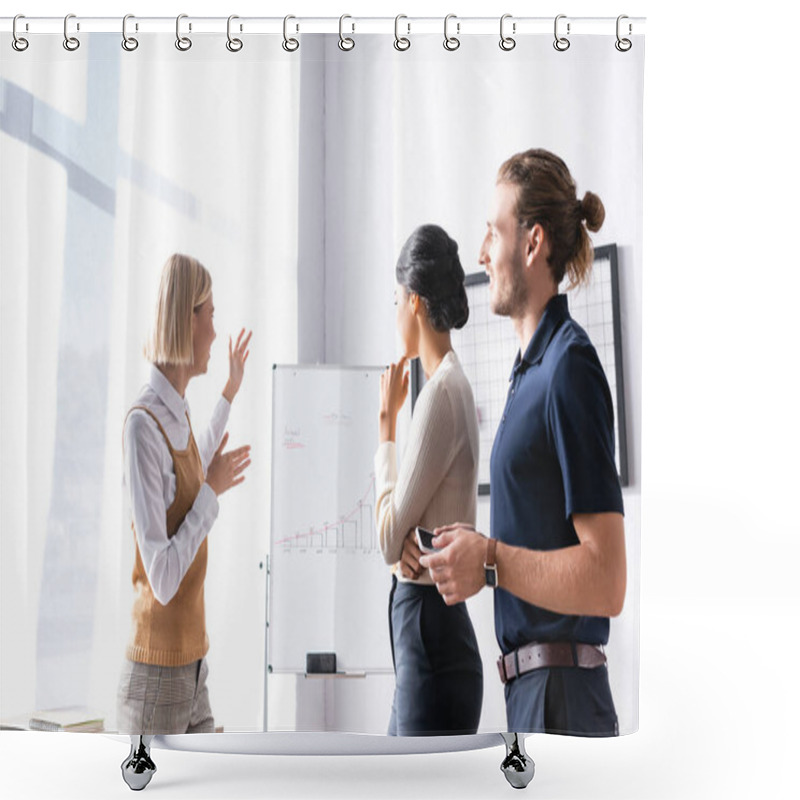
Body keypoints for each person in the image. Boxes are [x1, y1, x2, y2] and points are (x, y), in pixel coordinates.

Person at [417, 149, 626, 736]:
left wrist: (490, 559)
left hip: (561, 699)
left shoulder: (569, 367)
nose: (481, 253)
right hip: (534, 695)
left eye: (492, 231)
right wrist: (475, 552)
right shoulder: (529, 371)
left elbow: (608, 580)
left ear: (532, 244)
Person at [117, 253, 252, 735]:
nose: (216, 332)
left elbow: (194, 459)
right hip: (157, 675)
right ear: (186, 318)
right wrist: (211, 495)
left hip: (192, 664)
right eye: (210, 314)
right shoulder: (142, 426)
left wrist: (230, 392)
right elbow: (164, 577)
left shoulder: (176, 414)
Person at [375, 224, 484, 736]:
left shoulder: (439, 394)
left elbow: (387, 535)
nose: (395, 311)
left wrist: (384, 428)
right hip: (434, 632)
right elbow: (403, 537)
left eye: (396, 298)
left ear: (414, 302)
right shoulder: (451, 385)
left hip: (429, 634)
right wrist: (402, 542)